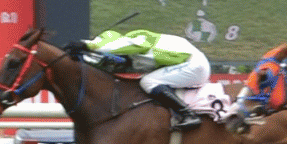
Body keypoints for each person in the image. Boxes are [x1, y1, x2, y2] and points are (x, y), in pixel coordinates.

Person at [67, 27, 209, 129]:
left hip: (195, 65)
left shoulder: (139, 40)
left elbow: (116, 47)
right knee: (145, 81)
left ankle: (189, 115)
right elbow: (105, 61)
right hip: (189, 63)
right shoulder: (134, 54)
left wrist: (86, 44)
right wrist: (81, 56)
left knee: (148, 81)